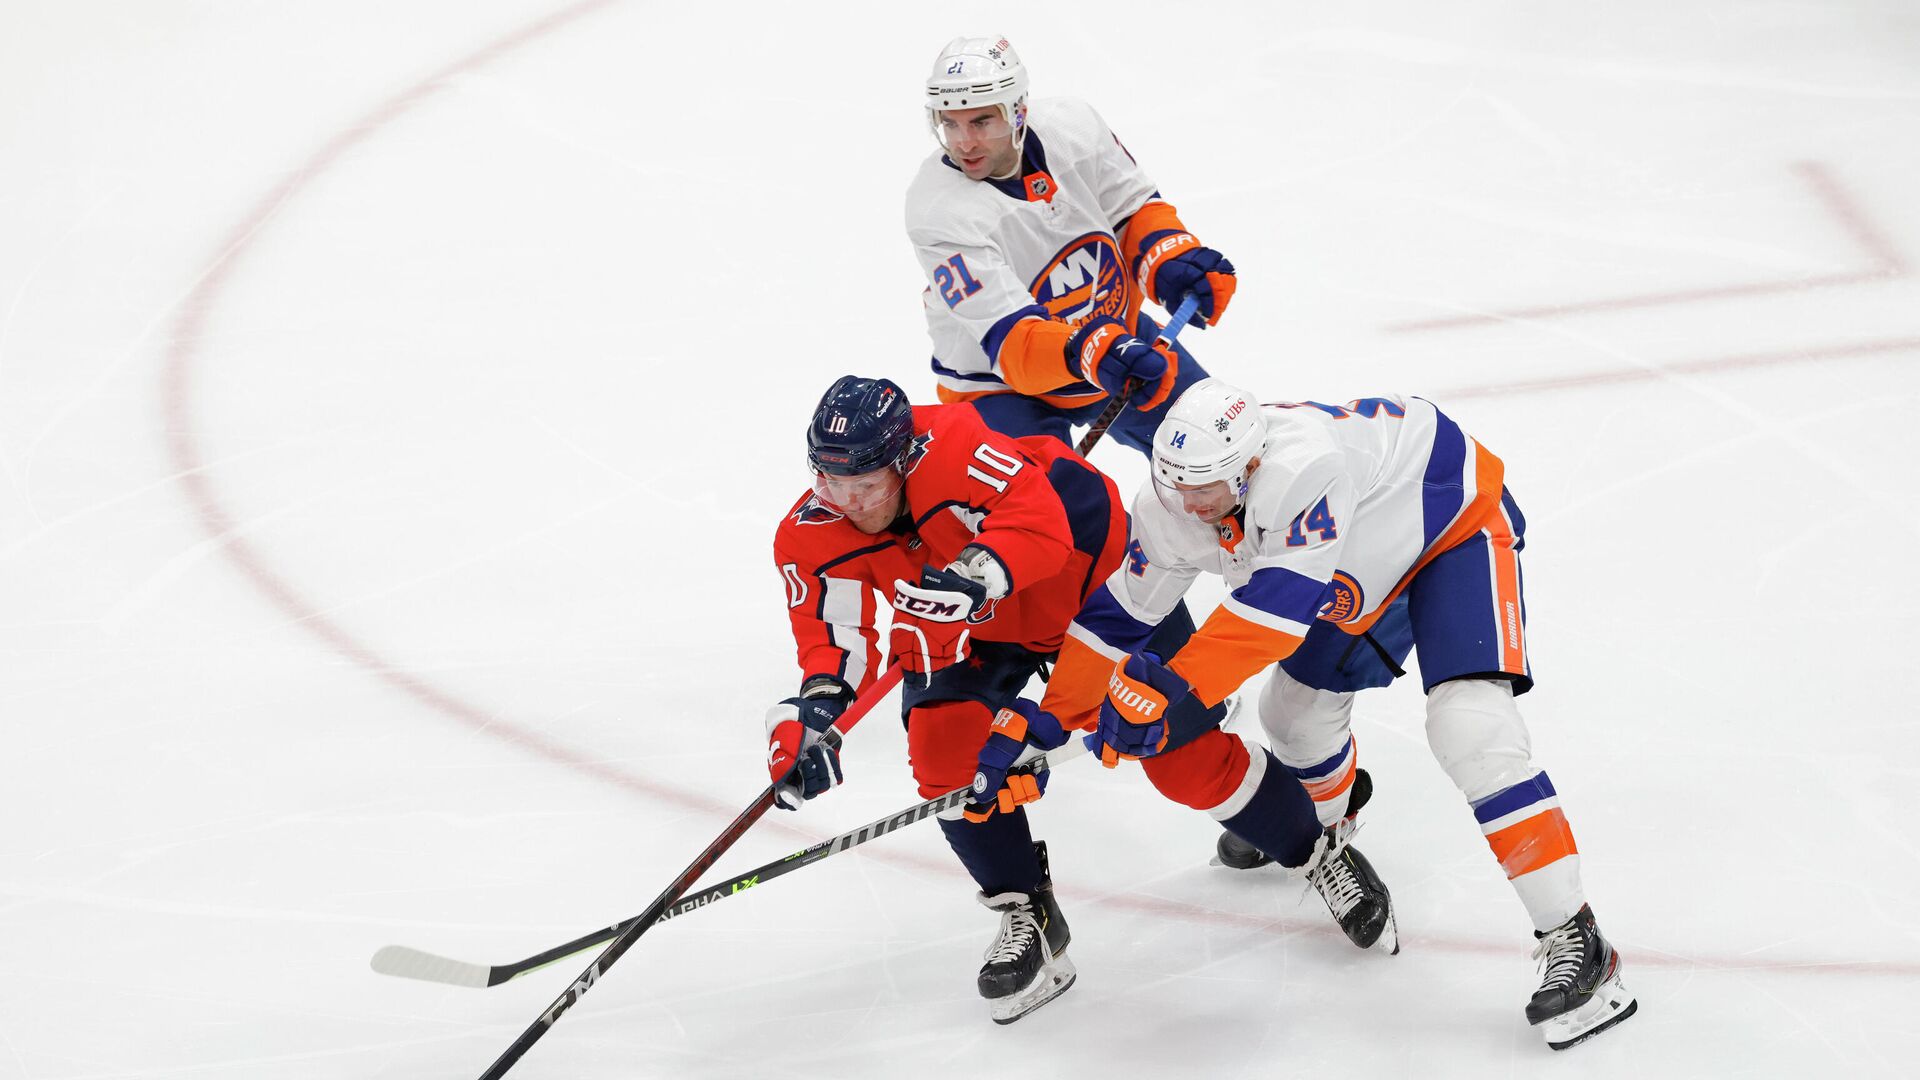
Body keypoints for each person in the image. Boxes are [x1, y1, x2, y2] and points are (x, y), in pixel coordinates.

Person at [1057, 377, 1638, 1051]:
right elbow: (1120, 613)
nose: (1187, 503)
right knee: (1294, 717)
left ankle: (1577, 938)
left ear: (1248, 467)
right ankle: (1329, 834)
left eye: (1204, 487)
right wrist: (1050, 718)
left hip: (1449, 528)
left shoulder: (1304, 468)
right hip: (1352, 556)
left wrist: (1172, 691)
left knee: (1470, 728)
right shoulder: (1178, 500)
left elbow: (1269, 617)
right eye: (1175, 482)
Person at [766, 375, 1364, 1025]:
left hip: (1097, 588)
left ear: (905, 460)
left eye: (865, 486)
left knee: (1177, 758)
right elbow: (833, 645)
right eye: (830, 482)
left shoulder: (958, 444)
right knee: (946, 765)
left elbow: (1041, 525)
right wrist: (814, 719)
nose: (848, 503)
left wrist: (975, 577)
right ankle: (1026, 910)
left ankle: (1315, 845)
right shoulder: (812, 531)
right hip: (977, 637)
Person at [904, 36, 1238, 456]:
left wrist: (1169, 259)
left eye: (981, 122)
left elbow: (1130, 210)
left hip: (1116, 338)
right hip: (998, 386)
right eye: (950, 123)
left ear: (1018, 113)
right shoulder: (938, 209)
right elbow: (1011, 340)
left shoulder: (1073, 128)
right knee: (1054, 514)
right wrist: (1092, 349)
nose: (963, 142)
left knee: (1224, 448)